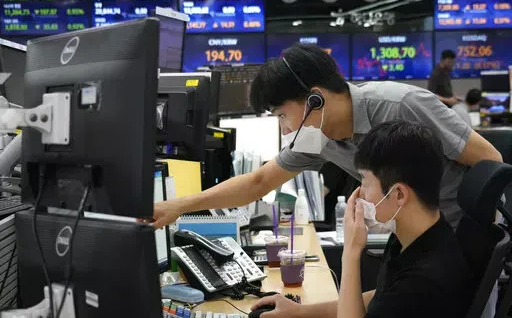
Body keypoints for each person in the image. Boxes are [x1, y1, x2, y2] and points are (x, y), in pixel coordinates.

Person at [150, 44, 501, 230]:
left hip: (460, 243)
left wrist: (476, 238)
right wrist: (177, 206)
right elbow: (258, 182)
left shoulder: (401, 105)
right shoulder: (318, 134)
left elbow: (490, 162)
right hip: (413, 243)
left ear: (315, 98)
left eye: (284, 115)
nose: (286, 129)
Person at [250, 120, 475, 318]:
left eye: (365, 182)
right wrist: (299, 313)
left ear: (398, 194)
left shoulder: (424, 282)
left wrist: (351, 251)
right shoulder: (423, 235)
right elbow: (382, 299)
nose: (359, 193)